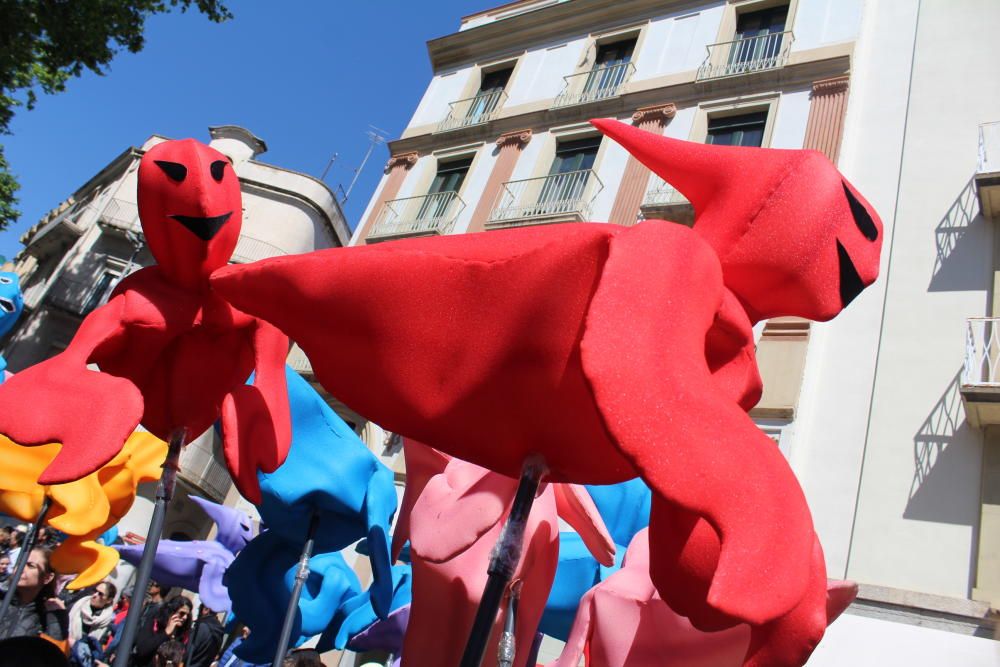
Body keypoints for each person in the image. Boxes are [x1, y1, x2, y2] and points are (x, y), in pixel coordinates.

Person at [0, 546, 67, 641]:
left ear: (47, 578)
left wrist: (56, 617)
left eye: (30, 566)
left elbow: (54, 648)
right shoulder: (1, 596)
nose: (21, 569)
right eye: (20, 563)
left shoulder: (47, 613)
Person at [131, 596, 191, 667]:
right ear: (172, 611)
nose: (185, 617)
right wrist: (166, 633)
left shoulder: (183, 635)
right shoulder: (154, 624)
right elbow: (142, 650)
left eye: (187, 615)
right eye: (182, 613)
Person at [68, 580, 117, 647]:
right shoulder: (77, 606)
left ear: (109, 600)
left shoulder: (107, 623)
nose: (95, 595)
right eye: (95, 591)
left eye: (100, 594)